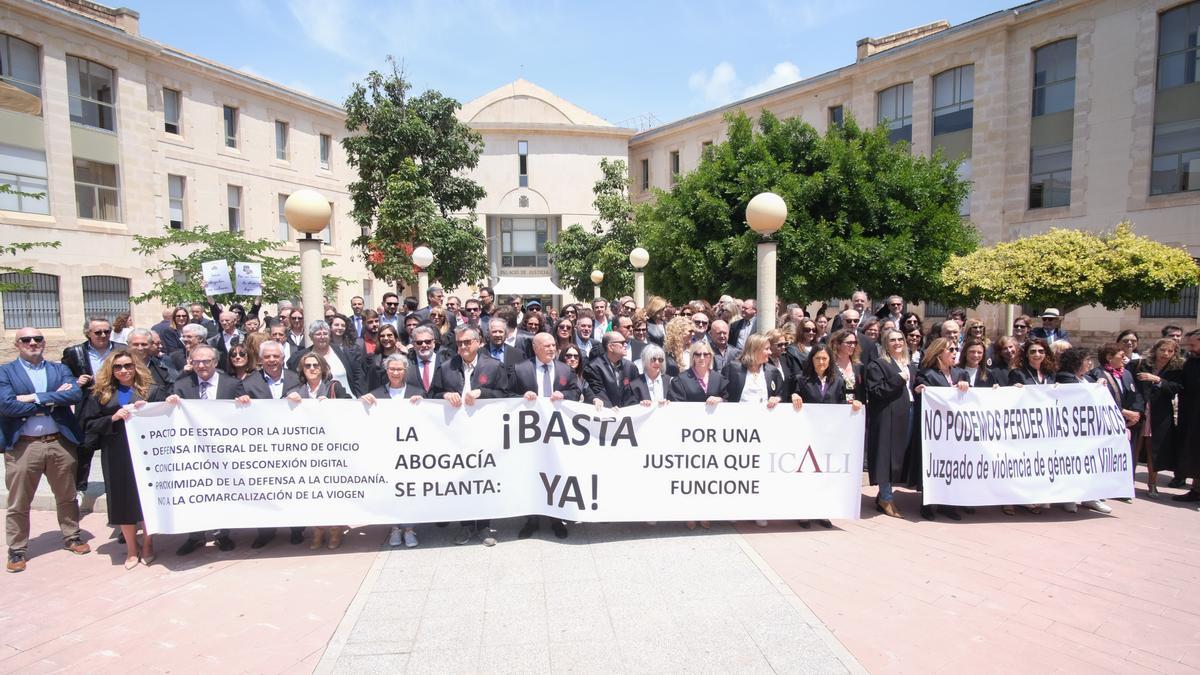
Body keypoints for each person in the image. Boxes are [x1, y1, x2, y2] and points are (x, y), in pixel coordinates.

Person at [1, 328, 90, 572]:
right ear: (17, 344)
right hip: (23, 445)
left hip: (59, 442)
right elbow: (6, 406)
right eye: (26, 340)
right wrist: (51, 400)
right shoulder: (5, 372)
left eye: (37, 339)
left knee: (67, 495)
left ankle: (72, 535)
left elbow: (73, 394)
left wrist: (31, 398)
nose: (33, 343)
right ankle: (17, 548)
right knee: (19, 501)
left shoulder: (58, 369)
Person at [80, 350, 161, 568]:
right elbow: (88, 425)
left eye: (128, 366)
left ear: (136, 367)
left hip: (146, 453)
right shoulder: (100, 394)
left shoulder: (151, 391)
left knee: (145, 498)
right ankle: (132, 549)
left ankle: (148, 544)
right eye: (118, 367)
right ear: (111, 369)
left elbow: (165, 418)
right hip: (116, 452)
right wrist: (112, 418)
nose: (123, 370)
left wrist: (161, 406)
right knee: (122, 500)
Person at [166, 345, 249, 555]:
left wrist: (245, 403)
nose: (201, 365)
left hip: (224, 451)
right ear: (191, 363)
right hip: (194, 452)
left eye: (206, 361)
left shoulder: (232, 384)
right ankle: (195, 536)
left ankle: (223, 534)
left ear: (215, 362)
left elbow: (245, 418)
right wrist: (170, 403)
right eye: (197, 362)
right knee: (197, 492)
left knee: (223, 491)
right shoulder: (182, 385)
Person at [431, 326, 507, 546]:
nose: (463, 346)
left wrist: (483, 393)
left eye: (467, 342)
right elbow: (432, 395)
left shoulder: (494, 366)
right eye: (460, 343)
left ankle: (483, 526)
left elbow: (506, 394)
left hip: (485, 435)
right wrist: (444, 394)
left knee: (483, 479)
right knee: (461, 480)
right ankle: (465, 526)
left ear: (478, 342)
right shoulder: (446, 368)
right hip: (455, 436)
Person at [511, 333, 580, 540]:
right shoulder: (521, 369)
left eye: (553, 345)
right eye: (546, 346)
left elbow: (575, 393)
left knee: (554, 473)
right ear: (535, 348)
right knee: (532, 474)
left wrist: (564, 395)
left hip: (557, 433)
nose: (551, 349)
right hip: (530, 435)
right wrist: (522, 398)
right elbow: (506, 396)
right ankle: (531, 520)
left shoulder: (565, 369)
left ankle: (556, 519)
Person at [240, 340, 306, 549]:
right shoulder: (248, 383)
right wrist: (240, 402)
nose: (271, 360)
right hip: (263, 447)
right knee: (265, 489)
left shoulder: (297, 379)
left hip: (293, 444)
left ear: (283, 358)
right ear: (260, 360)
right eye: (267, 357)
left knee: (294, 488)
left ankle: (296, 529)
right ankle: (266, 531)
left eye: (275, 356)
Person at [791, 343, 861, 528]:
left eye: (824, 358)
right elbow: (791, 397)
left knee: (825, 475)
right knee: (806, 474)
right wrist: (794, 395)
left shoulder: (837, 381)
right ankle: (804, 513)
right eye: (817, 358)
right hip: (807, 435)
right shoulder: (801, 379)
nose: (821, 362)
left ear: (830, 360)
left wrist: (853, 406)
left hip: (828, 437)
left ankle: (822, 511)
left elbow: (840, 405)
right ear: (811, 360)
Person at [285, 352, 348, 550]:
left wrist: (334, 405)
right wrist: (286, 401)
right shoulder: (295, 390)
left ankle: (336, 529)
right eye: (308, 366)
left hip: (332, 449)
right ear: (302, 370)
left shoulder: (333, 387)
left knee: (333, 491)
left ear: (322, 368)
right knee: (314, 492)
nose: (312, 369)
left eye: (315, 365)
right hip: (306, 451)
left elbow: (350, 410)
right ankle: (318, 530)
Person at [360, 354, 423, 547]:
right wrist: (362, 401)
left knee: (409, 491)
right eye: (392, 369)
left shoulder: (417, 392)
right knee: (390, 491)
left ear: (405, 371)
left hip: (410, 451)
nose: (395, 372)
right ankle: (395, 528)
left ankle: (409, 529)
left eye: (399, 369)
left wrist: (423, 403)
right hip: (387, 452)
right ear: (386, 371)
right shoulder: (376, 394)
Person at [667, 340, 725, 530]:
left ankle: (706, 511)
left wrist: (721, 399)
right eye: (698, 354)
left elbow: (732, 401)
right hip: (689, 439)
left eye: (705, 354)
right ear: (692, 358)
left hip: (714, 438)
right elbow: (676, 405)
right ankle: (689, 512)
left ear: (711, 357)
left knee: (709, 479)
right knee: (690, 479)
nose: (702, 358)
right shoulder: (681, 379)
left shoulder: (719, 378)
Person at [61, 316, 122, 496]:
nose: (103, 335)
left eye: (107, 331)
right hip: (88, 403)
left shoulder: (121, 350)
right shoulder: (74, 352)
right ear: (88, 333)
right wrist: (75, 381)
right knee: (85, 445)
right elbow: (63, 377)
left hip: (115, 402)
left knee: (116, 445)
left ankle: (117, 486)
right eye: (98, 332)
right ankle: (79, 488)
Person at [915, 338, 971, 521]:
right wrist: (921, 390)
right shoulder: (927, 374)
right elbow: (924, 397)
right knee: (933, 465)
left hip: (956, 430)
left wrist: (965, 388)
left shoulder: (961, 373)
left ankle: (948, 503)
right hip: (935, 432)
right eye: (951, 349)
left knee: (953, 465)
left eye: (956, 349)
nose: (955, 352)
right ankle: (928, 503)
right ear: (939, 353)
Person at [865, 329, 918, 519]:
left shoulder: (910, 365)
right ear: (886, 344)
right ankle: (886, 497)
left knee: (900, 455)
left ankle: (883, 494)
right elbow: (877, 391)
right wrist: (898, 379)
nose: (897, 343)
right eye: (893, 340)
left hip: (908, 413)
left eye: (900, 339)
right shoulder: (878, 365)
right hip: (887, 416)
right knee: (885, 456)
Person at [1132, 338, 1184, 498]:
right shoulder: (1140, 364)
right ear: (1156, 350)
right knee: (1134, 448)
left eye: (1170, 351)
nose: (1165, 354)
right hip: (1139, 411)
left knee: (1153, 450)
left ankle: (1152, 484)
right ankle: (1128, 483)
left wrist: (1158, 380)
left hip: (1160, 414)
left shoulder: (1176, 370)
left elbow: (1176, 389)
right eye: (1163, 350)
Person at [287, 320, 367, 397]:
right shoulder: (300, 357)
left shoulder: (345, 353)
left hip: (347, 401)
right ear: (311, 337)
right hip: (315, 403)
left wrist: (360, 396)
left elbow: (358, 376)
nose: (322, 337)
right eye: (318, 334)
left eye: (325, 334)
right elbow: (294, 379)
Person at [1172, 330, 1200, 501]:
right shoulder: (1191, 361)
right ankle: (1196, 490)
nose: (1190, 348)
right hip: (1191, 414)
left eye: (1193, 344)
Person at [585, 332, 640, 408]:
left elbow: (634, 393)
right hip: (606, 413)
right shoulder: (594, 367)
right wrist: (610, 409)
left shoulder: (631, 367)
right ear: (611, 347)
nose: (626, 345)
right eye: (622, 343)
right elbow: (599, 392)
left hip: (627, 414)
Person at [828, 330, 867, 403]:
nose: (853, 346)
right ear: (838, 344)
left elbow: (862, 391)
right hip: (837, 406)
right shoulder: (829, 365)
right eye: (849, 343)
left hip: (856, 408)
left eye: (854, 343)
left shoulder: (858, 366)